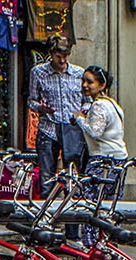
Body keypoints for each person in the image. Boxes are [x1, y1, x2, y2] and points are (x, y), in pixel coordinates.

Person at [72, 65, 125, 246]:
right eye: (83, 81)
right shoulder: (114, 104)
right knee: (109, 207)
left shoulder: (99, 105)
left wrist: (79, 118)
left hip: (102, 160)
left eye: (90, 82)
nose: (85, 85)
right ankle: (107, 244)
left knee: (90, 206)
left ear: (102, 85)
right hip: (119, 160)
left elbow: (95, 132)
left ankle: (92, 246)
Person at [27, 36, 85, 197]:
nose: (62, 60)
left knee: (72, 177)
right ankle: (47, 218)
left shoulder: (78, 73)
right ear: (51, 54)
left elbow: (87, 101)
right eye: (58, 56)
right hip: (48, 129)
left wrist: (81, 113)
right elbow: (31, 100)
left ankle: (71, 218)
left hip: (71, 130)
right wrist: (42, 108)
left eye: (65, 56)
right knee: (47, 177)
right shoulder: (38, 72)